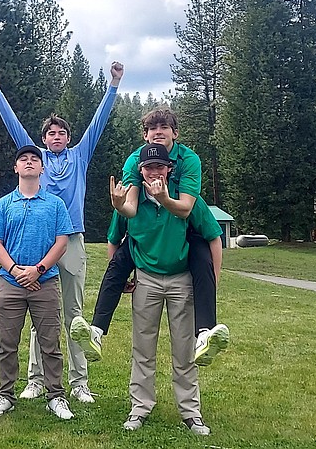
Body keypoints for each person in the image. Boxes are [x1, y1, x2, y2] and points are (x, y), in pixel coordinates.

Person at [0, 61, 123, 404]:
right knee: (35, 309)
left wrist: (114, 85)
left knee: (73, 313)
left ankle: (79, 382)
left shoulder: (80, 156)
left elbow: (98, 122)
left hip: (70, 239)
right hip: (36, 242)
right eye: (50, 134)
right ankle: (35, 379)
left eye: (60, 134)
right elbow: (14, 128)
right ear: (43, 141)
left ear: (68, 138)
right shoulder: (36, 158)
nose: (55, 138)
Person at [72, 108, 229, 366]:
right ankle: (96, 331)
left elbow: (187, 208)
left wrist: (215, 280)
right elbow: (129, 209)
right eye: (152, 129)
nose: (158, 132)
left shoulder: (189, 161)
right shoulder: (135, 161)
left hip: (182, 230)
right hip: (145, 245)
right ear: (145, 136)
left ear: (174, 135)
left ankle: (205, 334)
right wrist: (119, 205)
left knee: (200, 252)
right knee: (121, 258)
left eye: (164, 127)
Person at [110, 143, 222, 435]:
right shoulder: (130, 199)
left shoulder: (188, 200)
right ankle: (139, 408)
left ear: (169, 169)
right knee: (143, 348)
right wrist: (121, 277)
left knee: (184, 349)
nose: (155, 172)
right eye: (149, 167)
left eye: (160, 166)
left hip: (180, 279)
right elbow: (115, 239)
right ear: (141, 171)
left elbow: (213, 237)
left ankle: (191, 412)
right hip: (146, 279)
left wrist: (213, 282)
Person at [0, 145, 75, 420]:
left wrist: (38, 269)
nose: (30, 163)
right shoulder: (3, 204)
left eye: (35, 159)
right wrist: (14, 269)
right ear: (16, 168)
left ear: (42, 168)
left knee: (51, 344)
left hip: (44, 282)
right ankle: (4, 395)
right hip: (10, 283)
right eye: (24, 159)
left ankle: (56, 396)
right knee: (7, 343)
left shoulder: (55, 204)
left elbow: (62, 241)